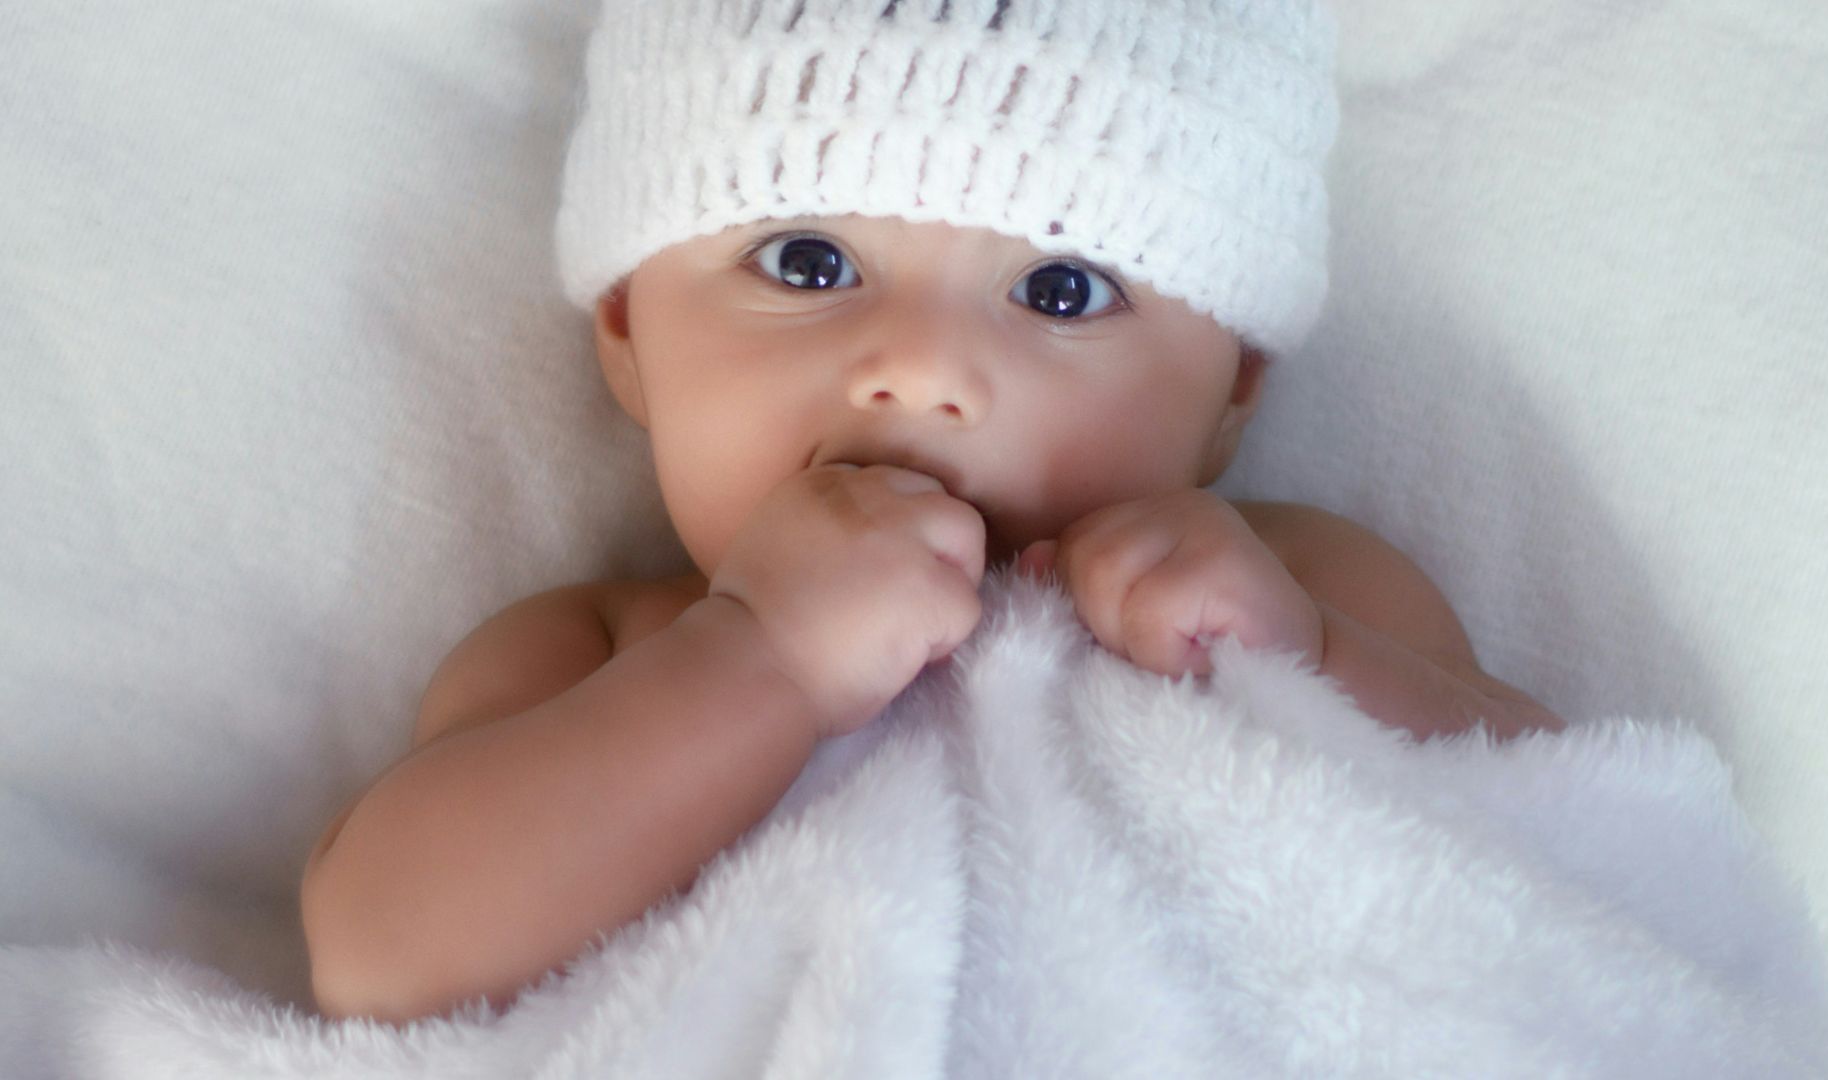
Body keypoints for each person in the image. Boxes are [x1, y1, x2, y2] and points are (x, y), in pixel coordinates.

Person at [300, 0, 1563, 1025]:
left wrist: (1302, 665)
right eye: (808, 263)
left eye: (1062, 290)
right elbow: (383, 956)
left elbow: (1562, 864)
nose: (922, 369)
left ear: (1231, 390)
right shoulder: (605, 654)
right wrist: (762, 659)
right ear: (630, 332)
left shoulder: (1304, 587)